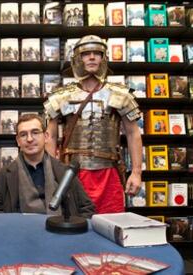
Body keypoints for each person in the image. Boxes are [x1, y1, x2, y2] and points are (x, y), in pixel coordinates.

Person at [44, 35, 142, 214]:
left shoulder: (120, 94)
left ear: (104, 58)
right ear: (78, 59)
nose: (91, 57)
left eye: (96, 53)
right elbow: (50, 137)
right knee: (74, 224)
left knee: (111, 224)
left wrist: (136, 173)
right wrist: (51, 174)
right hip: (72, 172)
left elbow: (133, 133)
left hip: (108, 172)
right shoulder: (61, 96)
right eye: (86, 54)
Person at [0, 114, 94, 217]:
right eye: (23, 135)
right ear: (18, 141)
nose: (30, 139)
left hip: (61, 234)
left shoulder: (65, 172)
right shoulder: (1, 177)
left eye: (35, 132)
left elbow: (87, 208)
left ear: (46, 136)